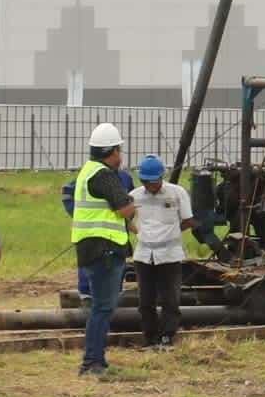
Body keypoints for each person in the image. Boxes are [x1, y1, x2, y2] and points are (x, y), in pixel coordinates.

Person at [65, 121, 136, 377]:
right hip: (104, 250)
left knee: (99, 306)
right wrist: (133, 203)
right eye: (119, 151)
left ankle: (94, 360)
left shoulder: (87, 171)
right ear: (113, 151)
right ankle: (92, 361)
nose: (120, 156)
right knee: (103, 307)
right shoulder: (104, 175)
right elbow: (124, 207)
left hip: (90, 249)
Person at [130, 154, 190, 349]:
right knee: (145, 300)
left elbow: (188, 220)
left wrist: (170, 233)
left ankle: (167, 337)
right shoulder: (135, 196)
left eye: (155, 182)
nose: (152, 186)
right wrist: (140, 232)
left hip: (170, 256)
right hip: (144, 256)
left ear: (162, 177)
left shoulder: (177, 193)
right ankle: (150, 338)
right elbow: (125, 218)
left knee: (170, 299)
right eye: (148, 183)